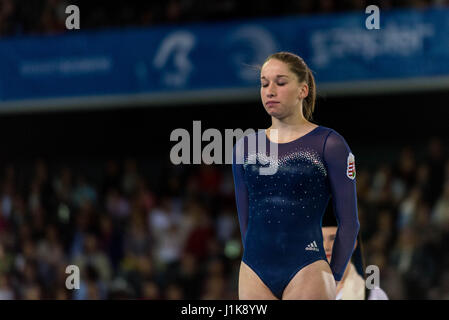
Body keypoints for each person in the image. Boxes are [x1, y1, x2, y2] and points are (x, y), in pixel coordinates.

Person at [232, 51, 360, 300]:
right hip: (253, 271)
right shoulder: (245, 147)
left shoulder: (329, 144)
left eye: (280, 83)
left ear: (303, 90)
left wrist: (334, 278)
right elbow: (244, 219)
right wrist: (256, 260)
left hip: (307, 269)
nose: (270, 90)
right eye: (264, 83)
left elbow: (350, 222)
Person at [322, 204, 389, 300]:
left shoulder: (373, 295)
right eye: (321, 240)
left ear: (352, 244)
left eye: (333, 238)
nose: (326, 247)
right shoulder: (301, 291)